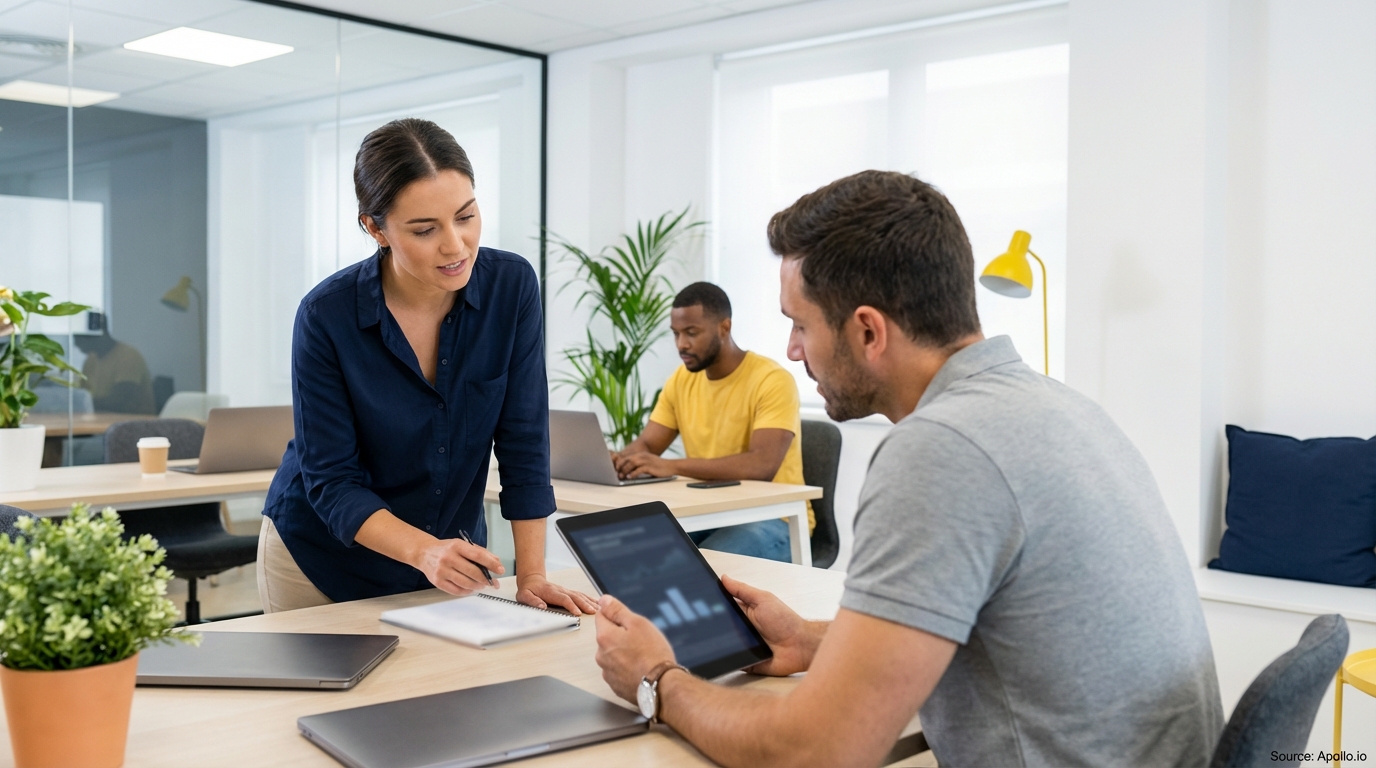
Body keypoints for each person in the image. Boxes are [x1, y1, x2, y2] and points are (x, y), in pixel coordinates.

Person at [593, 170, 1223, 766]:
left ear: (868, 332)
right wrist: (812, 641)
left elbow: (817, 752)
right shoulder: (1062, 408)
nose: (792, 350)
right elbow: (996, 628)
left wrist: (657, 680)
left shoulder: (942, 449)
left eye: (800, 325)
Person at [259, 119, 596, 617]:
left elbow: (523, 441)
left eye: (466, 216)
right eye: (424, 229)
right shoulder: (326, 315)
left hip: (447, 564)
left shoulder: (511, 288)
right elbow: (332, 481)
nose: (455, 245)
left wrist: (533, 576)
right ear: (375, 229)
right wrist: (423, 551)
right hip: (323, 562)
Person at [612, 282, 812, 562]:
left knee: (699, 566)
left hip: (775, 517)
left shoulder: (772, 380)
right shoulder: (681, 380)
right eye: (676, 333)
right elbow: (647, 444)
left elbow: (762, 465)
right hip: (708, 513)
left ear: (724, 328)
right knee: (635, 554)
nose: (681, 344)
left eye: (691, 333)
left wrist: (670, 466)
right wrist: (619, 461)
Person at [75, 328, 155, 414]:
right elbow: (81, 397)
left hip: (133, 420)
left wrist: (79, 403)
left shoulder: (128, 356)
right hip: (101, 418)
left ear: (100, 333)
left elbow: (118, 403)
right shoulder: (90, 360)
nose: (75, 343)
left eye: (79, 337)